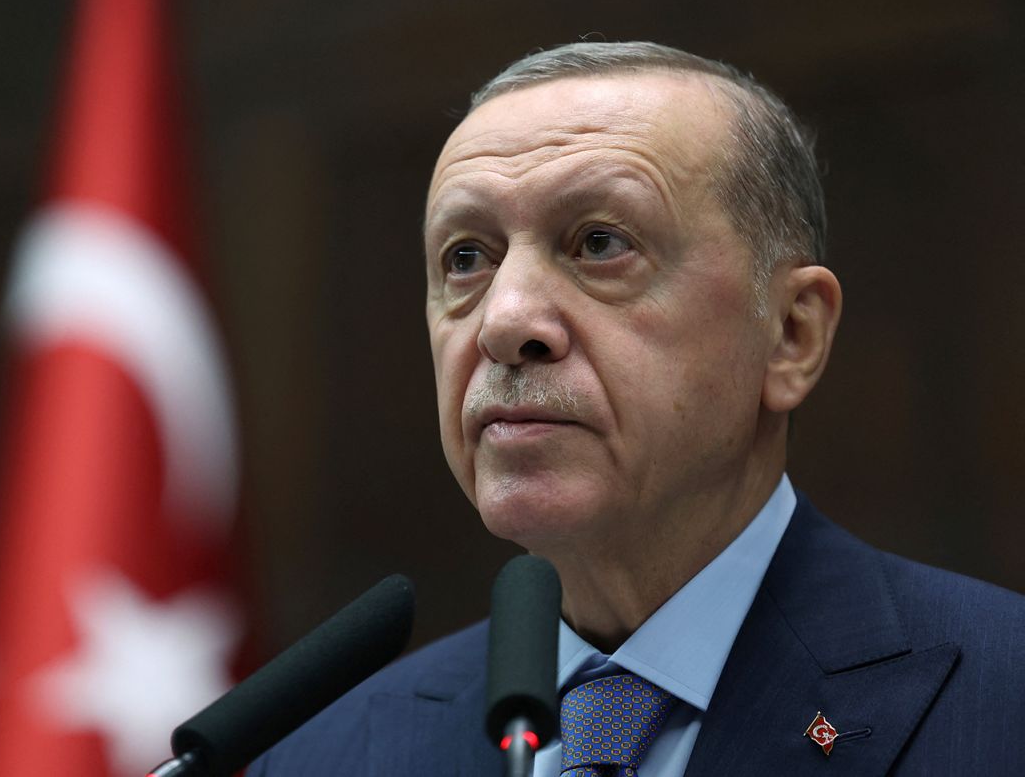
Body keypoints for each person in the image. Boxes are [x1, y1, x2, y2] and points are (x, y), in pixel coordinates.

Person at [247, 42, 1025, 776]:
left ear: (791, 334)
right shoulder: (328, 753)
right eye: (466, 258)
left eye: (597, 243)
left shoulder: (1002, 697)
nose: (505, 321)